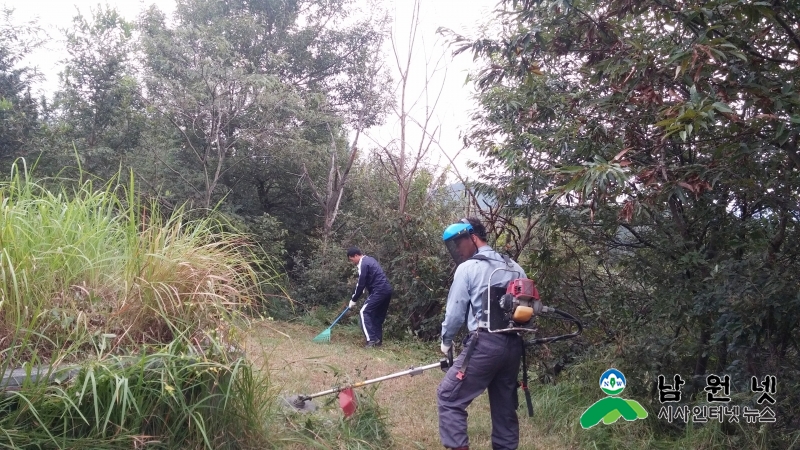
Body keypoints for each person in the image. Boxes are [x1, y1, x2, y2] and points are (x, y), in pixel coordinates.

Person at [437, 218, 527, 450]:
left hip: (485, 343)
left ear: (473, 238)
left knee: (448, 398)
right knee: (505, 406)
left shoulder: (467, 268)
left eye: (458, 243)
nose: (457, 249)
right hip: (514, 344)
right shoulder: (514, 267)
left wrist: (446, 341)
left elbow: (456, 312)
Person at [346, 246, 393, 348]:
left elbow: (360, 283)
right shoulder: (370, 260)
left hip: (379, 291)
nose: (352, 262)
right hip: (387, 290)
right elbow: (369, 278)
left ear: (356, 255)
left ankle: (371, 340)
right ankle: (378, 342)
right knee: (377, 317)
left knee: (364, 312)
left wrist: (353, 299)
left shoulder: (363, 263)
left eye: (352, 259)